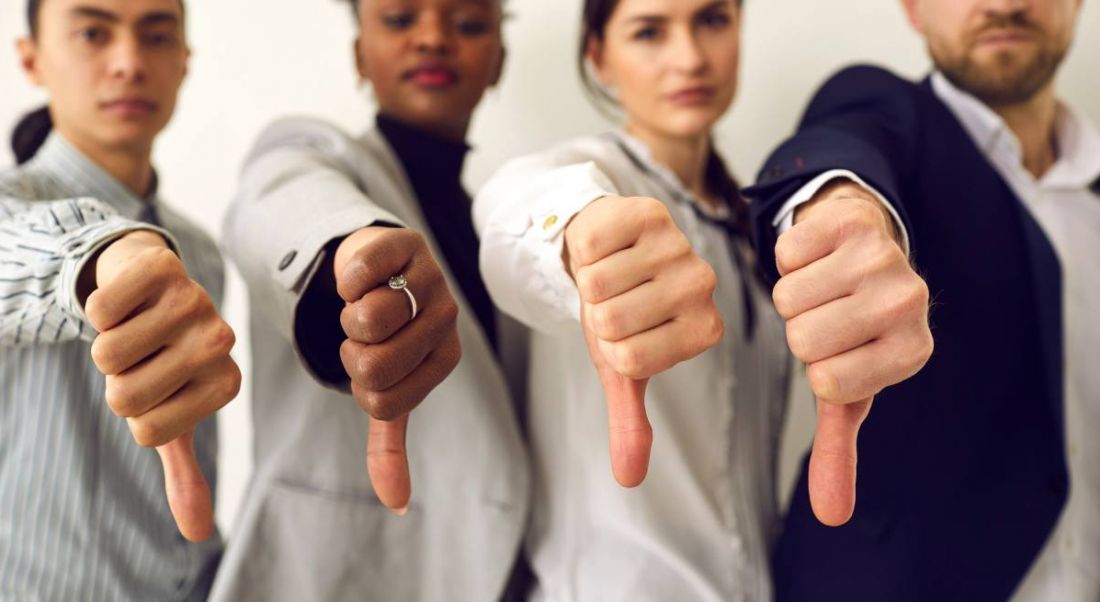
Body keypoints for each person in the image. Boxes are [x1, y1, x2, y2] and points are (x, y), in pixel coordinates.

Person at [473, 0, 932, 599]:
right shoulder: (585, 178)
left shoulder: (750, 227)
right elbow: (512, 210)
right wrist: (577, 234)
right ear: (599, 57)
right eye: (649, 31)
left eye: (711, 20)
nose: (689, 58)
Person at [744, 0, 1098, 599]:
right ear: (913, 9)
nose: (1004, 4)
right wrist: (841, 206)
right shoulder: (883, 110)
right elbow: (837, 147)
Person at [211, 0, 530, 600]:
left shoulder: (502, 227)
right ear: (359, 55)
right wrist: (349, 252)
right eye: (400, 18)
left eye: (467, 24)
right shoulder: (312, 156)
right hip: (329, 572)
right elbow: (282, 200)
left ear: (498, 63)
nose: (433, 39)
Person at [0, 0, 241, 599]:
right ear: (31, 60)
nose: (129, 63)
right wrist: (101, 256)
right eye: (92, 33)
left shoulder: (202, 251)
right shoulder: (12, 208)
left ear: (184, 61)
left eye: (156, 36)